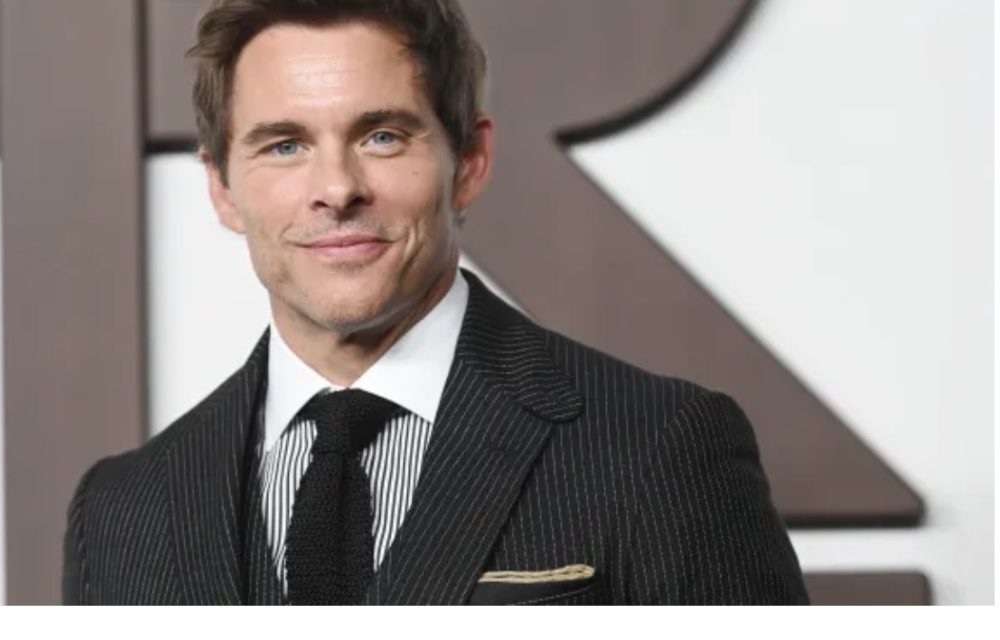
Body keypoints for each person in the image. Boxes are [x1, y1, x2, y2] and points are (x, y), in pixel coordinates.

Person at [62, 0, 807, 605]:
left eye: (383, 136)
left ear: (470, 163)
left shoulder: (660, 448)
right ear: (222, 188)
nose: (337, 189)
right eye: (284, 145)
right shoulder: (122, 511)